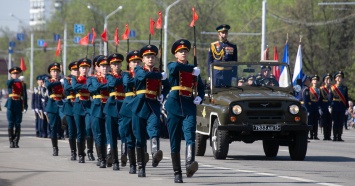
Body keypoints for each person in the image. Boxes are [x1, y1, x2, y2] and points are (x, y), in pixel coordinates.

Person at [165, 39, 205, 183]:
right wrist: (192, 69)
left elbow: (201, 87)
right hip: (174, 105)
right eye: (180, 51)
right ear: (176, 54)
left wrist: (200, 97)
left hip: (188, 105)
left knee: (190, 134)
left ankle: (189, 164)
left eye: (185, 51)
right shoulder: (173, 65)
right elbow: (174, 69)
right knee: (175, 139)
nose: (183, 53)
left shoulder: (194, 70)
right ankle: (177, 172)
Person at [130, 44, 169, 177]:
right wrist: (159, 76)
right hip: (140, 105)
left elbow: (167, 85)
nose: (150, 59)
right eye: (147, 57)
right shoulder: (138, 69)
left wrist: (163, 93)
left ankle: (154, 152)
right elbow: (143, 77)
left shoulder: (158, 72)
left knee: (154, 128)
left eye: (152, 56)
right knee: (140, 137)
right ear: (143, 59)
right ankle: (141, 166)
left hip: (153, 105)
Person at [119, 50, 142, 174]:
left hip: (139, 106)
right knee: (129, 137)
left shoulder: (143, 73)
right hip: (128, 106)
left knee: (139, 136)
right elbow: (127, 83)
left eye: (138, 61)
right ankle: (132, 164)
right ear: (129, 64)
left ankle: (140, 164)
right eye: (134, 62)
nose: (136, 64)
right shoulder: (125, 74)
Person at [104, 53, 125, 171]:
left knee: (124, 132)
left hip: (123, 107)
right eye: (114, 64)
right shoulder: (109, 76)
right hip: (111, 108)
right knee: (112, 136)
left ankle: (124, 154)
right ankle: (115, 160)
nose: (116, 66)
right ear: (111, 66)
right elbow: (112, 83)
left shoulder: (125, 74)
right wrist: (124, 78)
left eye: (118, 64)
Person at [88, 55, 110, 168]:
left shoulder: (112, 77)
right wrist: (109, 85)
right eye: (102, 66)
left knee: (108, 133)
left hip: (109, 106)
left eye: (107, 65)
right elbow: (95, 88)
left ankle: (107, 157)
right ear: (97, 67)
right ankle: (101, 158)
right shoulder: (92, 78)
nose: (105, 68)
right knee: (98, 133)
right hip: (97, 108)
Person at [71, 58, 92, 163]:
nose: (84, 69)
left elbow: (94, 88)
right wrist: (88, 86)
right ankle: (81, 154)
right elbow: (75, 86)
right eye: (82, 67)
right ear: (79, 68)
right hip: (78, 106)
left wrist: (86, 87)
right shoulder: (75, 78)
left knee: (88, 128)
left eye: (86, 67)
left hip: (88, 105)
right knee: (80, 131)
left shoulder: (91, 78)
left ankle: (90, 151)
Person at [44, 62, 64, 156]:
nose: (55, 73)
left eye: (57, 71)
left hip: (61, 104)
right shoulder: (48, 80)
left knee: (65, 121)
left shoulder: (62, 80)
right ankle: (55, 148)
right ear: (50, 72)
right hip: (52, 105)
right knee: (53, 128)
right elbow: (48, 86)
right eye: (53, 71)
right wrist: (60, 82)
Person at [5, 67, 28, 148]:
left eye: (17, 74)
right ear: (11, 75)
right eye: (14, 74)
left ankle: (16, 141)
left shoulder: (22, 84)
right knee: (11, 123)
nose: (15, 75)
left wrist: (25, 105)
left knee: (18, 123)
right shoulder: (10, 81)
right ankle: (11, 141)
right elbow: (9, 83)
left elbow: (24, 95)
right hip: (11, 104)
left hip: (18, 104)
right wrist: (16, 80)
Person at [63, 61, 79, 160]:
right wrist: (76, 85)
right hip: (70, 107)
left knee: (82, 130)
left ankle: (84, 150)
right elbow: (67, 87)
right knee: (72, 131)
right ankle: (73, 151)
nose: (76, 71)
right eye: (74, 70)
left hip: (80, 106)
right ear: (71, 70)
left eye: (77, 69)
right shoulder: (67, 79)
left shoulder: (82, 79)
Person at [329, 71, 348, 142]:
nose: (340, 78)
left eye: (341, 77)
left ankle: (339, 136)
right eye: (338, 77)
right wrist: (330, 106)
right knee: (335, 122)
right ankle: (334, 136)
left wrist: (346, 107)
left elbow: (346, 98)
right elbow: (330, 98)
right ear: (335, 79)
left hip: (342, 106)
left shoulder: (345, 88)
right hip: (335, 105)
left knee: (340, 122)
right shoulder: (332, 87)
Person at [303, 75, 320, 140]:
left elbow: (319, 99)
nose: (315, 81)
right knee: (310, 121)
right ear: (311, 81)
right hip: (311, 106)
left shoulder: (318, 90)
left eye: (316, 80)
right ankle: (310, 135)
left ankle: (315, 134)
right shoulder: (309, 89)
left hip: (316, 107)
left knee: (316, 121)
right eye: (314, 80)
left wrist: (319, 107)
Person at [319, 73, 333, 140]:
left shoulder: (332, 89)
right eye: (327, 79)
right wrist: (320, 108)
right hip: (324, 106)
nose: (328, 81)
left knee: (330, 122)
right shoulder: (321, 89)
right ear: (324, 81)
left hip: (330, 107)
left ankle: (329, 136)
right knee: (325, 122)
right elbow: (320, 99)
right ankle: (325, 136)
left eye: (329, 79)